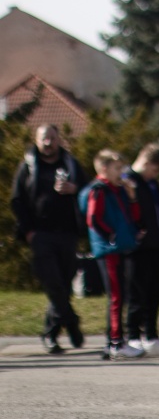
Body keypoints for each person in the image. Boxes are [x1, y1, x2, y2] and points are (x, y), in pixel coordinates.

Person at [10, 124, 89, 353]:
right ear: (36, 140)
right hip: (40, 234)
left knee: (63, 283)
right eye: (44, 138)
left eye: (52, 138)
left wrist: (74, 189)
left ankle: (53, 332)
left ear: (59, 139)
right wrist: (29, 231)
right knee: (53, 282)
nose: (48, 143)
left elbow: (89, 190)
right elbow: (17, 200)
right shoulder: (28, 166)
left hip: (68, 233)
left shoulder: (70, 164)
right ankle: (69, 322)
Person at [83, 150, 143, 360]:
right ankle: (115, 342)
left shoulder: (118, 190)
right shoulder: (99, 190)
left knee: (121, 295)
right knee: (116, 296)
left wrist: (132, 197)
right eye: (117, 168)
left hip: (121, 247)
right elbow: (93, 218)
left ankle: (116, 340)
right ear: (104, 168)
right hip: (109, 251)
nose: (121, 172)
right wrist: (110, 235)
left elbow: (133, 215)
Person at [123, 145, 159, 356]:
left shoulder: (152, 183)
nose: (155, 175)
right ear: (146, 163)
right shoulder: (129, 180)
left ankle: (151, 335)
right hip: (137, 248)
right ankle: (133, 336)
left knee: (155, 292)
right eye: (154, 170)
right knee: (137, 293)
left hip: (156, 245)